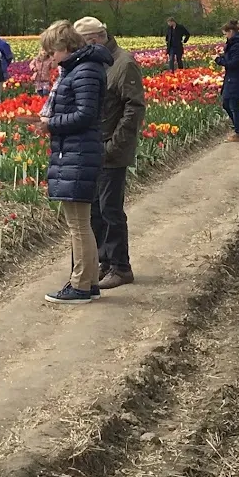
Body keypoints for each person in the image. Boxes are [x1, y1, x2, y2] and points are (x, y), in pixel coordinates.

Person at [39, 20, 110, 304]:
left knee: (78, 225)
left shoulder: (85, 71)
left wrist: (50, 124)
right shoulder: (82, 69)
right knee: (82, 223)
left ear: (66, 47)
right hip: (75, 151)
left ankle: (80, 285)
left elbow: (85, 115)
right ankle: (89, 281)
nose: (50, 57)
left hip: (79, 153)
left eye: (52, 51)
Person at [75, 16, 145, 289]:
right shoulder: (99, 62)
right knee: (95, 209)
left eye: (81, 44)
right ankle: (104, 261)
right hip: (95, 147)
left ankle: (121, 266)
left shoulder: (123, 63)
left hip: (112, 148)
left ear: (94, 39)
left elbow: (134, 108)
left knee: (110, 209)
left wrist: (115, 145)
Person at [216, 19, 239, 142]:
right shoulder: (234, 43)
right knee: (227, 104)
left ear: (231, 31)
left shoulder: (238, 45)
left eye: (225, 33)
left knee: (233, 105)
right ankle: (238, 129)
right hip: (232, 78)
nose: (225, 36)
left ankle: (238, 133)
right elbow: (231, 58)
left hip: (237, 78)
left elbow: (235, 62)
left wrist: (220, 61)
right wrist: (222, 57)